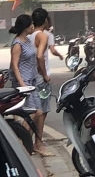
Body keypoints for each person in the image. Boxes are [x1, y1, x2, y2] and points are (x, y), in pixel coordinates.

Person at [9, 14, 46, 156]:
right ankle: (21, 144)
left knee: (39, 112)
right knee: (33, 112)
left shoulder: (28, 40)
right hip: (24, 82)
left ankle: (26, 144)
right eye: (30, 25)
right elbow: (14, 64)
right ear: (25, 27)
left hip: (32, 81)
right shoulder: (17, 43)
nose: (32, 27)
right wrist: (22, 84)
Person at [28, 8, 55, 157]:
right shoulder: (43, 36)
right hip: (40, 79)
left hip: (32, 77)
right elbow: (40, 57)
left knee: (35, 110)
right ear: (45, 21)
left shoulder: (31, 36)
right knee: (42, 112)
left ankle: (30, 141)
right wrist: (44, 74)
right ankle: (38, 143)